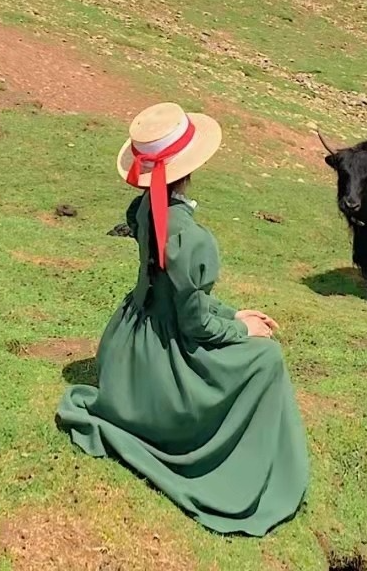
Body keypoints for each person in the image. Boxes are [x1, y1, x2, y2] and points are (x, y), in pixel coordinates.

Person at [57, 102, 309, 536]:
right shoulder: (191, 238)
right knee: (267, 360)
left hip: (128, 346)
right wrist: (241, 328)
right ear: (189, 167)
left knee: (254, 346)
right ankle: (246, 468)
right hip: (163, 361)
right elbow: (193, 325)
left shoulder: (142, 211)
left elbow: (171, 294)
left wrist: (232, 310)